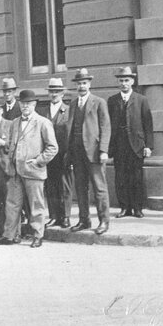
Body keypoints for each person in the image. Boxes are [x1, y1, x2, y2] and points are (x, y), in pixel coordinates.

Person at [0, 89, 57, 248]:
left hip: (34, 171)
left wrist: (38, 161)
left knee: (36, 205)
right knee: (12, 204)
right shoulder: (14, 122)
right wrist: (10, 160)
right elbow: (12, 144)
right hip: (15, 171)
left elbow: (52, 147)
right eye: (22, 103)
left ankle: (37, 235)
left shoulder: (42, 122)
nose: (25, 106)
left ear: (34, 104)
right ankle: (9, 235)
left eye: (28, 103)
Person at [67, 68, 112, 234]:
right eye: (79, 84)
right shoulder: (73, 104)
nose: (81, 86)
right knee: (80, 188)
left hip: (94, 152)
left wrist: (103, 150)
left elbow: (105, 127)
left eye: (84, 83)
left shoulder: (99, 102)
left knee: (99, 188)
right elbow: (71, 129)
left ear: (89, 84)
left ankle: (104, 221)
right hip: (77, 153)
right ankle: (84, 220)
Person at [107, 65, 153, 218]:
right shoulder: (112, 101)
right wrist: (109, 147)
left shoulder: (141, 100)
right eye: (121, 80)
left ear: (132, 81)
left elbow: (148, 125)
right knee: (120, 177)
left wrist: (148, 146)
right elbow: (108, 126)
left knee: (136, 178)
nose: (124, 83)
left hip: (136, 145)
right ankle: (124, 207)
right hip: (119, 145)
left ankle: (137, 208)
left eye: (127, 80)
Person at [40, 76, 74, 227]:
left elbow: (72, 134)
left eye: (57, 91)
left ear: (62, 93)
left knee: (65, 185)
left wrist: (70, 156)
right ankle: (54, 216)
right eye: (52, 91)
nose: (54, 94)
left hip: (63, 155)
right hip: (48, 155)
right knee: (51, 186)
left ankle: (66, 216)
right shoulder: (42, 112)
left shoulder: (68, 111)